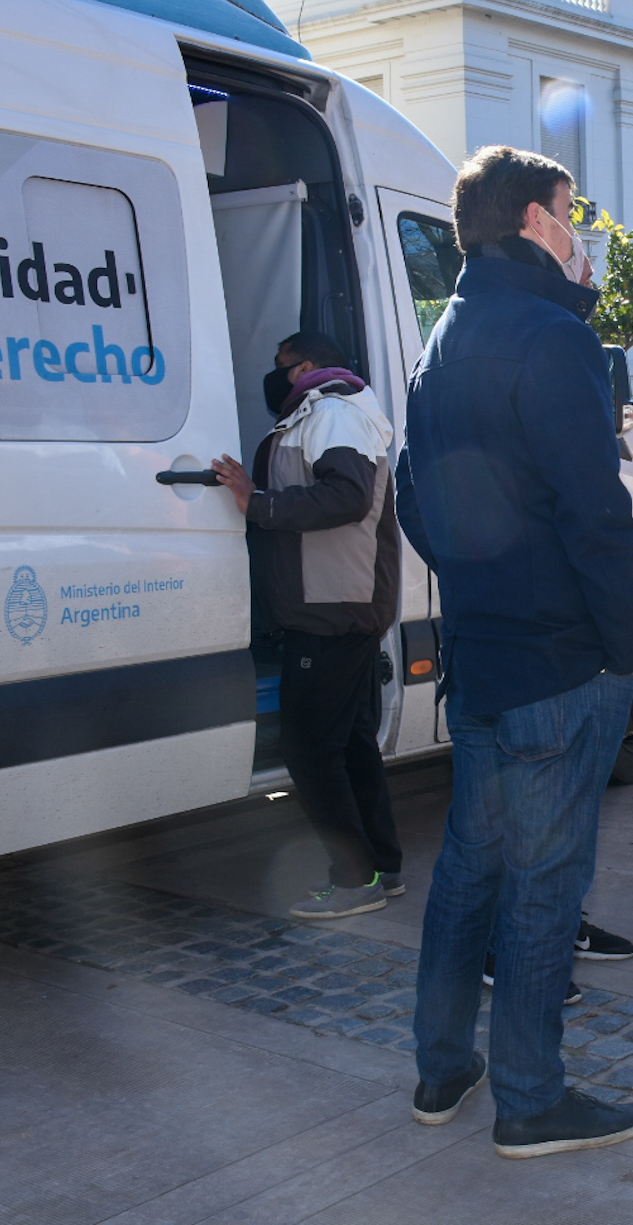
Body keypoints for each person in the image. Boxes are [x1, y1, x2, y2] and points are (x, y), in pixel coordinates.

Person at [398, 145, 633, 1158]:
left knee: (471, 869)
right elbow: (595, 515)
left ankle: (440, 1064)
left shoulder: (443, 336)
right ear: (531, 222)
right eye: (570, 212)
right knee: (544, 883)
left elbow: (417, 497)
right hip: (559, 661)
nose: (580, 229)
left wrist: (477, 584)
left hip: (485, 653)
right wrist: (626, 642)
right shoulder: (549, 337)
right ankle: (530, 1096)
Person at [212, 332, 403, 923]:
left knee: (309, 750)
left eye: (283, 368)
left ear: (311, 367)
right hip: (338, 603)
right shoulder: (326, 413)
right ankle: (382, 865)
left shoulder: (335, 413)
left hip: (331, 607)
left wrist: (258, 502)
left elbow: (345, 497)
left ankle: (354, 880)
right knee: (347, 744)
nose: (277, 378)